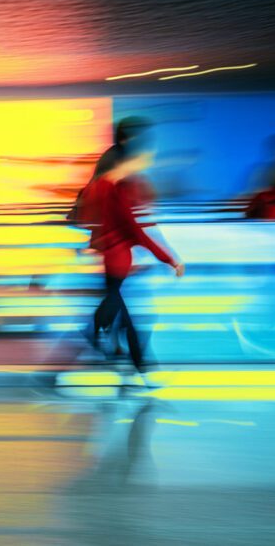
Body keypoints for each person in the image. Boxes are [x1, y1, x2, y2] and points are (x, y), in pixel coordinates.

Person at [78, 138, 184, 375]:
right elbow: (134, 231)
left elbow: (93, 224)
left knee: (120, 316)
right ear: (120, 163)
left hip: (113, 260)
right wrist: (170, 259)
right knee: (127, 319)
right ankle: (140, 368)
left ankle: (112, 348)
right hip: (118, 262)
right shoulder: (112, 190)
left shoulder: (97, 187)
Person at [69, 116, 152, 224]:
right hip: (97, 213)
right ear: (124, 139)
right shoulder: (116, 158)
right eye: (138, 138)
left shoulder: (117, 155)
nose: (142, 144)